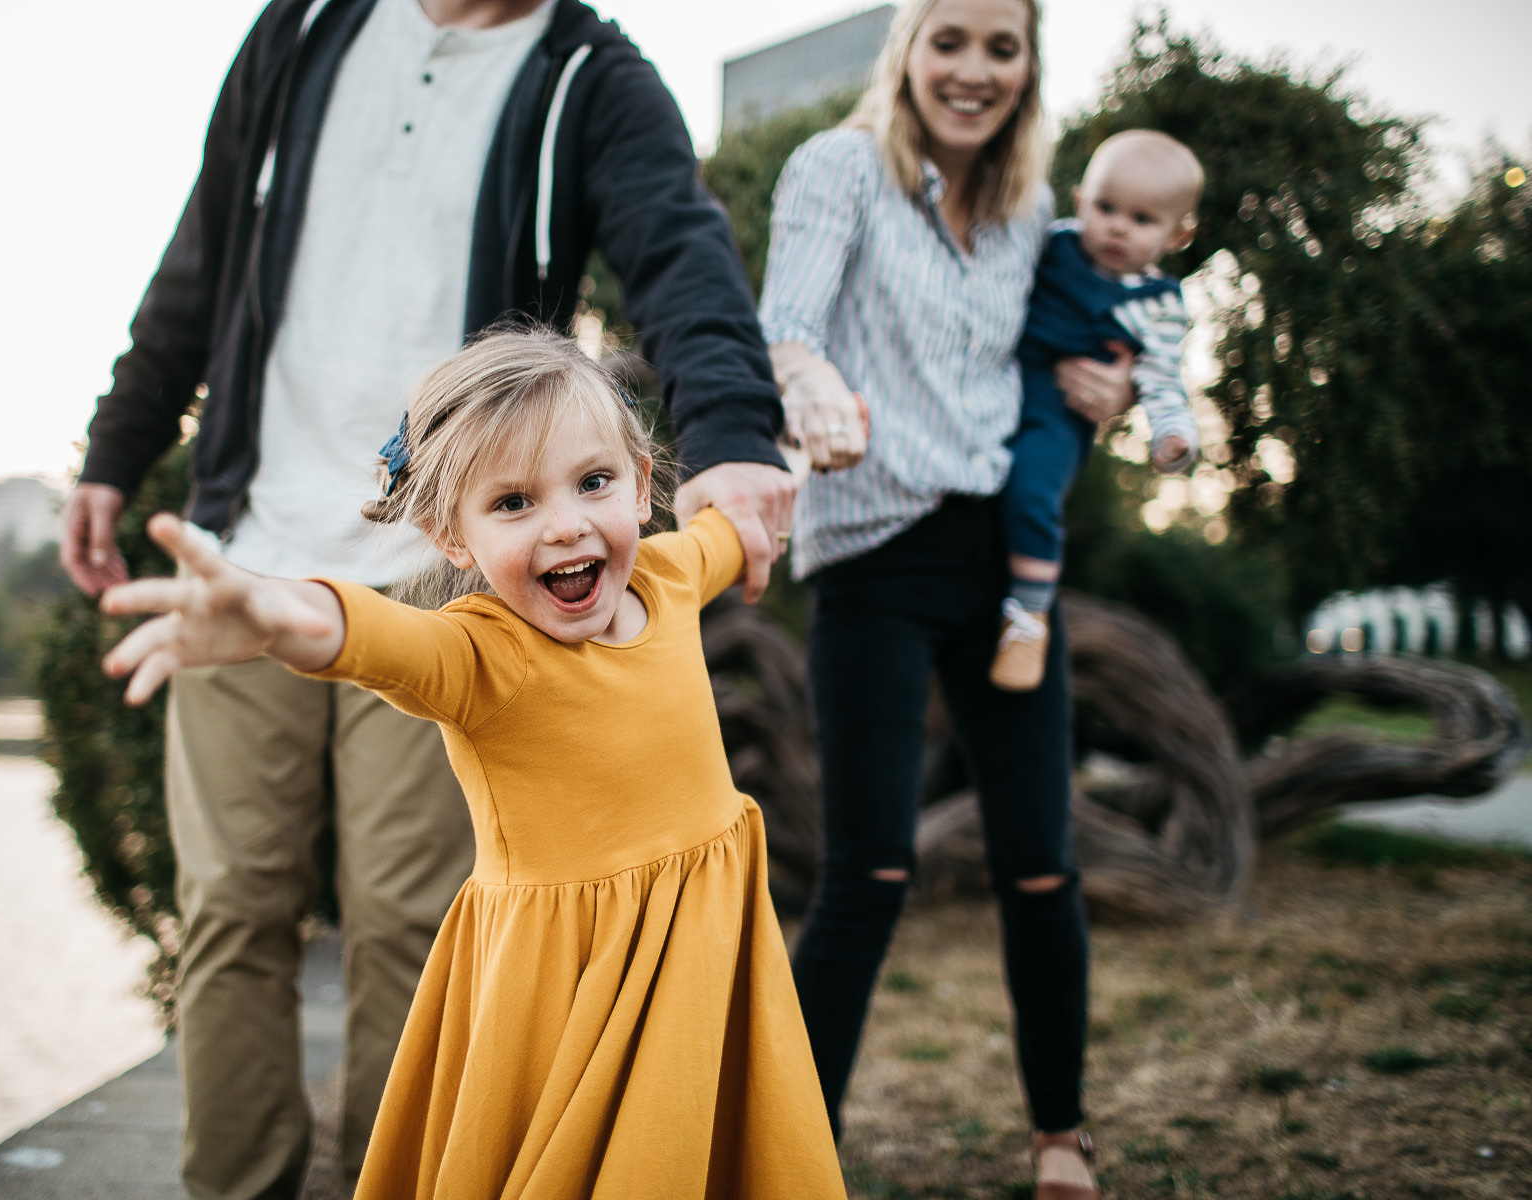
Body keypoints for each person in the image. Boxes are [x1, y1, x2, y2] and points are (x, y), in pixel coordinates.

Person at [56, 0, 795, 1194]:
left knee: (408, 922)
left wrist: (739, 432)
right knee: (232, 911)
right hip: (256, 546)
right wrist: (116, 448)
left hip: (459, 565)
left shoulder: (585, 74)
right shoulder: (302, 35)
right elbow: (201, 257)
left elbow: (679, 254)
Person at [99, 329, 847, 1199]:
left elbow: (731, 523)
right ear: (451, 537)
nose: (566, 523)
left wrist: (794, 446)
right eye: (514, 503)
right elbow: (375, 637)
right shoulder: (482, 657)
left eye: (593, 483)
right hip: (565, 998)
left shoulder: (671, 578)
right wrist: (273, 614)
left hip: (703, 952)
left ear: (642, 485)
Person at [757, 1, 1138, 1197]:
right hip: (874, 552)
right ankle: (792, 1157)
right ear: (909, 50)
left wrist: (1106, 381)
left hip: (1006, 568)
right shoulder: (840, 169)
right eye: (951, 40)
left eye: (1002, 46)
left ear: (1028, 68)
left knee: (1042, 862)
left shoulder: (1033, 210)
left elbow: (1068, 344)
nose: (974, 70)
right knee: (869, 869)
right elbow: (787, 326)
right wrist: (809, 384)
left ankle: (1061, 1139)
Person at [991, 129, 1204, 691]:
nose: (1116, 227)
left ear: (1177, 233)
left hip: (1058, 411)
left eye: (1141, 219)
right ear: (1081, 199)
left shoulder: (1157, 305)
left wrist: (1172, 438)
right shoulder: (1054, 243)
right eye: (1106, 208)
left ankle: (1028, 617)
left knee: (1032, 493)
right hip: (1002, 381)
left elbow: (1163, 380)